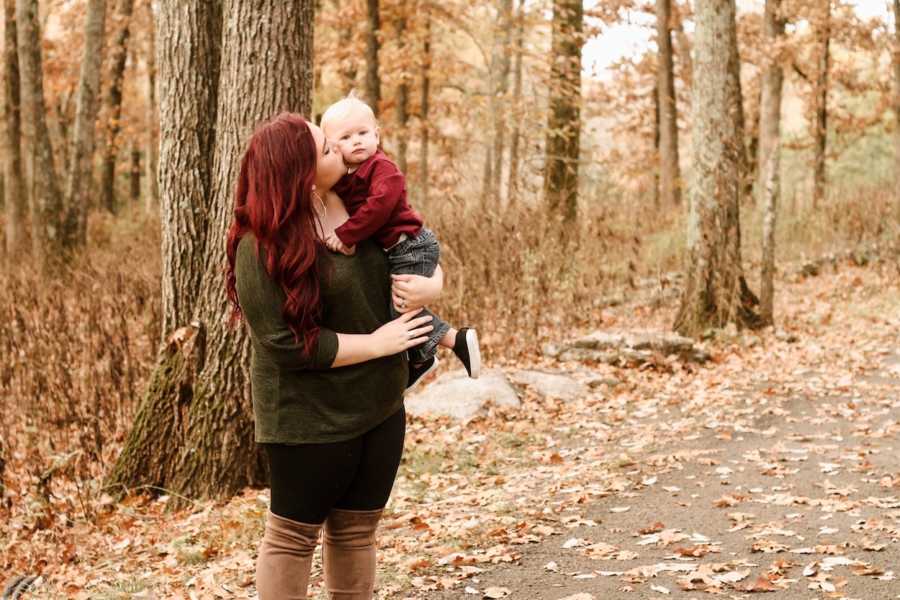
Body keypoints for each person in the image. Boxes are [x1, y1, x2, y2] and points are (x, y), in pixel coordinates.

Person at [225, 112, 444, 599]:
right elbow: (284, 344)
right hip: (309, 419)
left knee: (356, 531)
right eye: (326, 149)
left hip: (379, 404)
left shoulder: (360, 198)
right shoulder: (259, 245)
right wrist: (377, 343)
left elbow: (419, 253)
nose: (341, 151)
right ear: (299, 174)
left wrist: (433, 286)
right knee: (292, 537)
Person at [320, 94, 480, 389]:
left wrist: (346, 234)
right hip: (399, 250)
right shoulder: (345, 178)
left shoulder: (383, 168)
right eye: (345, 137)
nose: (357, 141)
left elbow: (379, 207)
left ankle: (422, 357)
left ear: (377, 134)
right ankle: (451, 340)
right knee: (398, 308)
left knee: (401, 311)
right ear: (331, 146)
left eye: (363, 133)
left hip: (411, 245)